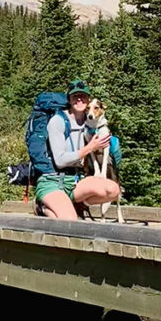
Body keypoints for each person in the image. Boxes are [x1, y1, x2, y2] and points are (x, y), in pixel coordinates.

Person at [36, 80, 120, 220]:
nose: (79, 99)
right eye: (75, 96)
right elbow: (60, 160)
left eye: (83, 96)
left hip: (75, 181)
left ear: (88, 100)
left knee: (113, 190)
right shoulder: (58, 121)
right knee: (70, 221)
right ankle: (42, 207)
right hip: (53, 181)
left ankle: (78, 204)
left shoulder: (90, 124)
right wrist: (89, 148)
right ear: (69, 99)